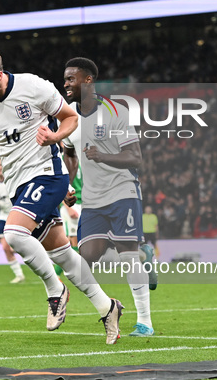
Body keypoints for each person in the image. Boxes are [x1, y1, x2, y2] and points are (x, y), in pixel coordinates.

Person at [0, 45, 122, 344]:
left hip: (48, 174)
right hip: (18, 184)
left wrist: (55, 136)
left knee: (13, 233)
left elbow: (70, 118)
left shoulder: (32, 86)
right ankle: (107, 307)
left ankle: (55, 289)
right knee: (61, 252)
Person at [62, 57, 154, 336]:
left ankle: (145, 323)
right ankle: (142, 255)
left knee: (126, 258)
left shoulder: (115, 111)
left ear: (88, 80)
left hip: (122, 190)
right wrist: (68, 183)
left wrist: (102, 155)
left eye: (71, 79)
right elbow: (68, 152)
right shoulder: (68, 115)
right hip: (92, 198)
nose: (65, 84)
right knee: (84, 260)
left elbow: (135, 158)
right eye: (64, 79)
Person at [0, 153, 25, 283]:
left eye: (0, 164)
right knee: (5, 248)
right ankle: (19, 275)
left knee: (17, 246)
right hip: (3, 216)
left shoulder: (12, 178)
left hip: (18, 214)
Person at [55, 151, 82, 278]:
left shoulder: (83, 158)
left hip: (84, 204)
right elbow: (58, 183)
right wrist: (67, 207)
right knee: (72, 241)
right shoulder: (61, 158)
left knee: (81, 242)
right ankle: (57, 274)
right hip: (72, 204)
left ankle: (61, 273)